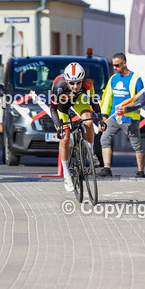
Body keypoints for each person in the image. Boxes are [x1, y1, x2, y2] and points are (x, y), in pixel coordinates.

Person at [50, 62, 104, 192]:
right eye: (72, 83)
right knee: (65, 138)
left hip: (78, 100)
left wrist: (100, 118)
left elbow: (93, 102)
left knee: (89, 122)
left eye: (78, 83)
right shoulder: (59, 85)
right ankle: (67, 174)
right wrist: (59, 127)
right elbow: (53, 109)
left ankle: (90, 154)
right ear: (67, 80)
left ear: (83, 80)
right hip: (62, 106)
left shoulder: (87, 84)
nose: (75, 86)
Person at [99, 53, 145, 178]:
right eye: (113, 65)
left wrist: (128, 109)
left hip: (129, 119)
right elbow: (107, 98)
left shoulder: (136, 79)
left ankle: (140, 172)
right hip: (113, 117)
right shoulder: (113, 79)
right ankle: (107, 169)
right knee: (104, 139)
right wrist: (104, 116)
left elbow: (142, 101)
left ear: (124, 63)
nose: (114, 68)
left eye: (117, 65)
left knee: (136, 145)